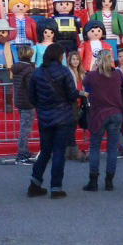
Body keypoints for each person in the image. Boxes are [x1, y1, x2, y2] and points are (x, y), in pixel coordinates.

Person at [27, 43, 79, 198]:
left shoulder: (37, 73)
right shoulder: (64, 72)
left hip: (44, 117)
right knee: (59, 153)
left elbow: (32, 97)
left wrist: (42, 107)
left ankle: (34, 184)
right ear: (59, 56)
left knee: (45, 151)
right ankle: (56, 187)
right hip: (63, 117)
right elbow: (71, 95)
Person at [82, 49, 123, 191]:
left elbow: (85, 83)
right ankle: (109, 181)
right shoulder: (117, 74)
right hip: (116, 112)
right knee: (112, 147)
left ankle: (93, 181)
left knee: (95, 146)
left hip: (99, 114)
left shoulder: (93, 75)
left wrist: (93, 68)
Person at [11, 44, 36, 164]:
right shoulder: (30, 69)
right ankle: (22, 154)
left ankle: (24, 151)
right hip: (27, 101)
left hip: (19, 99)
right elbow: (31, 86)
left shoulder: (16, 67)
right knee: (25, 129)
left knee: (24, 127)